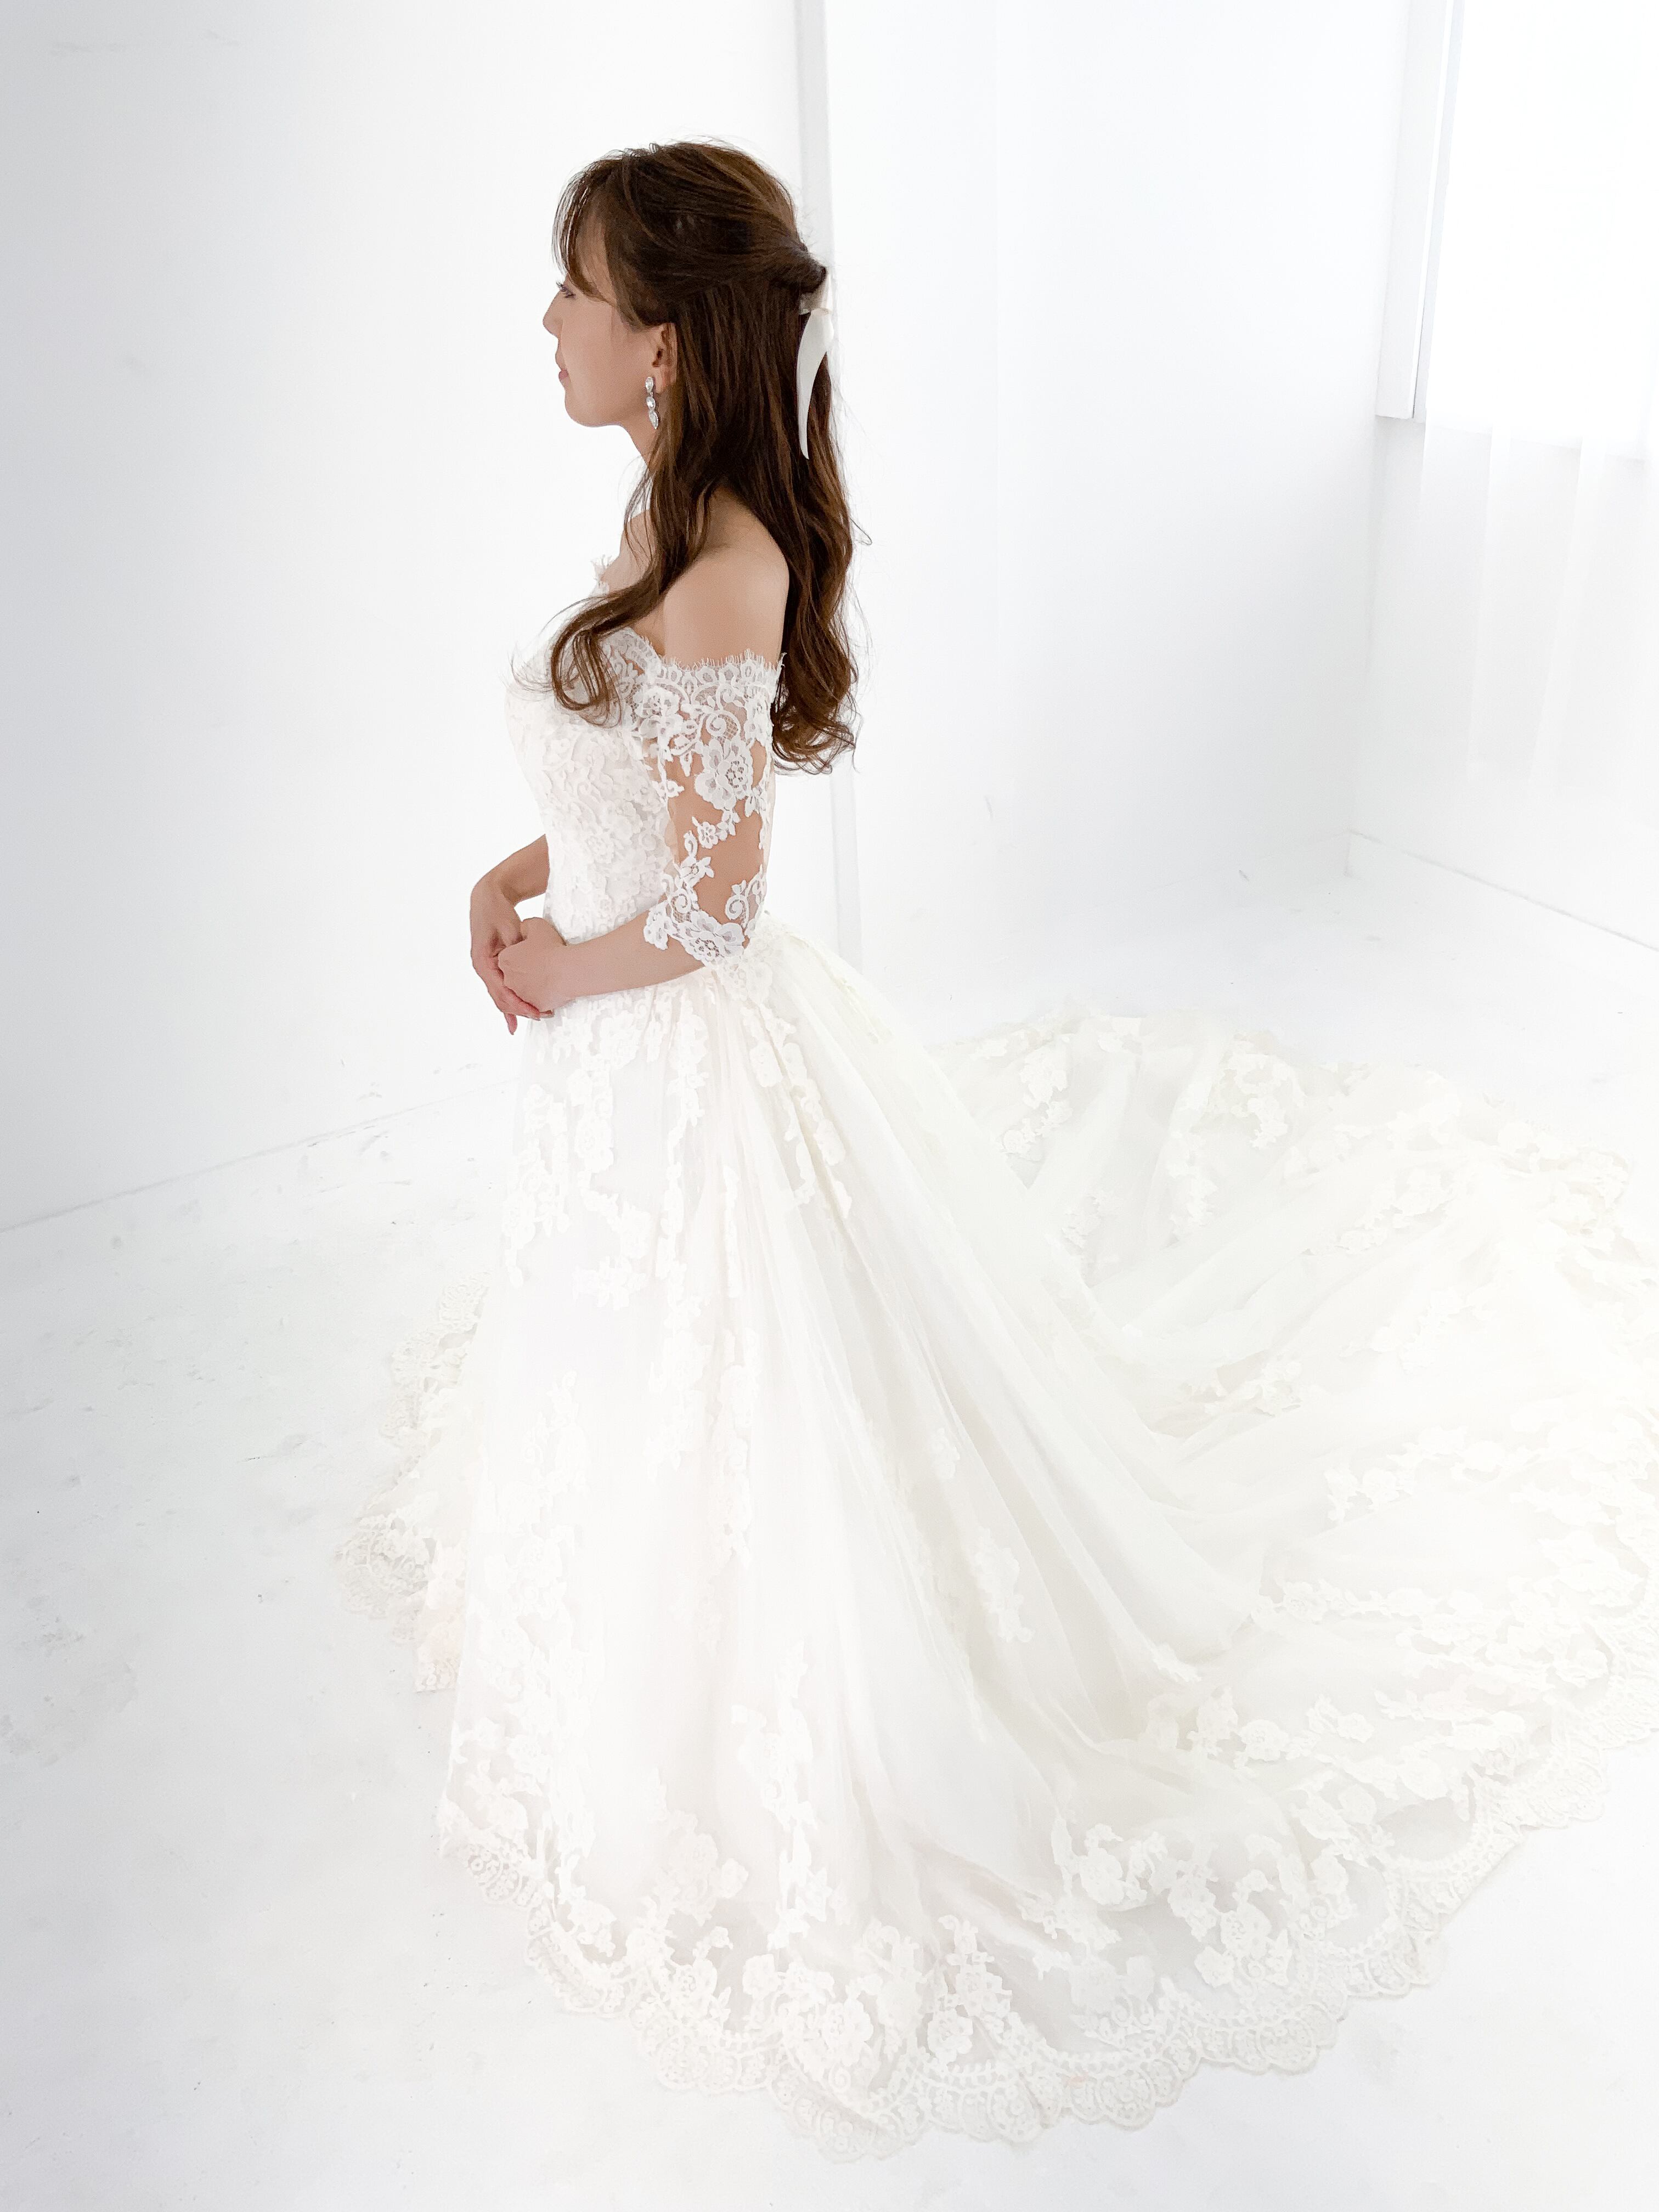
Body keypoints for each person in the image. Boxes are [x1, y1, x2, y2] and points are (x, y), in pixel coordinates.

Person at [338, 140, 1659, 2159]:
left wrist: (556, 961)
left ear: (664, 339)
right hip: (615, 1057)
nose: (549, 321)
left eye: (576, 289)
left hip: (674, 1041)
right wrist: (506, 882)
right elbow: (627, 786)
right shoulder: (653, 509)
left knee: (775, 1419)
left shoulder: (725, 571)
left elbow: (714, 907)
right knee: (636, 1380)